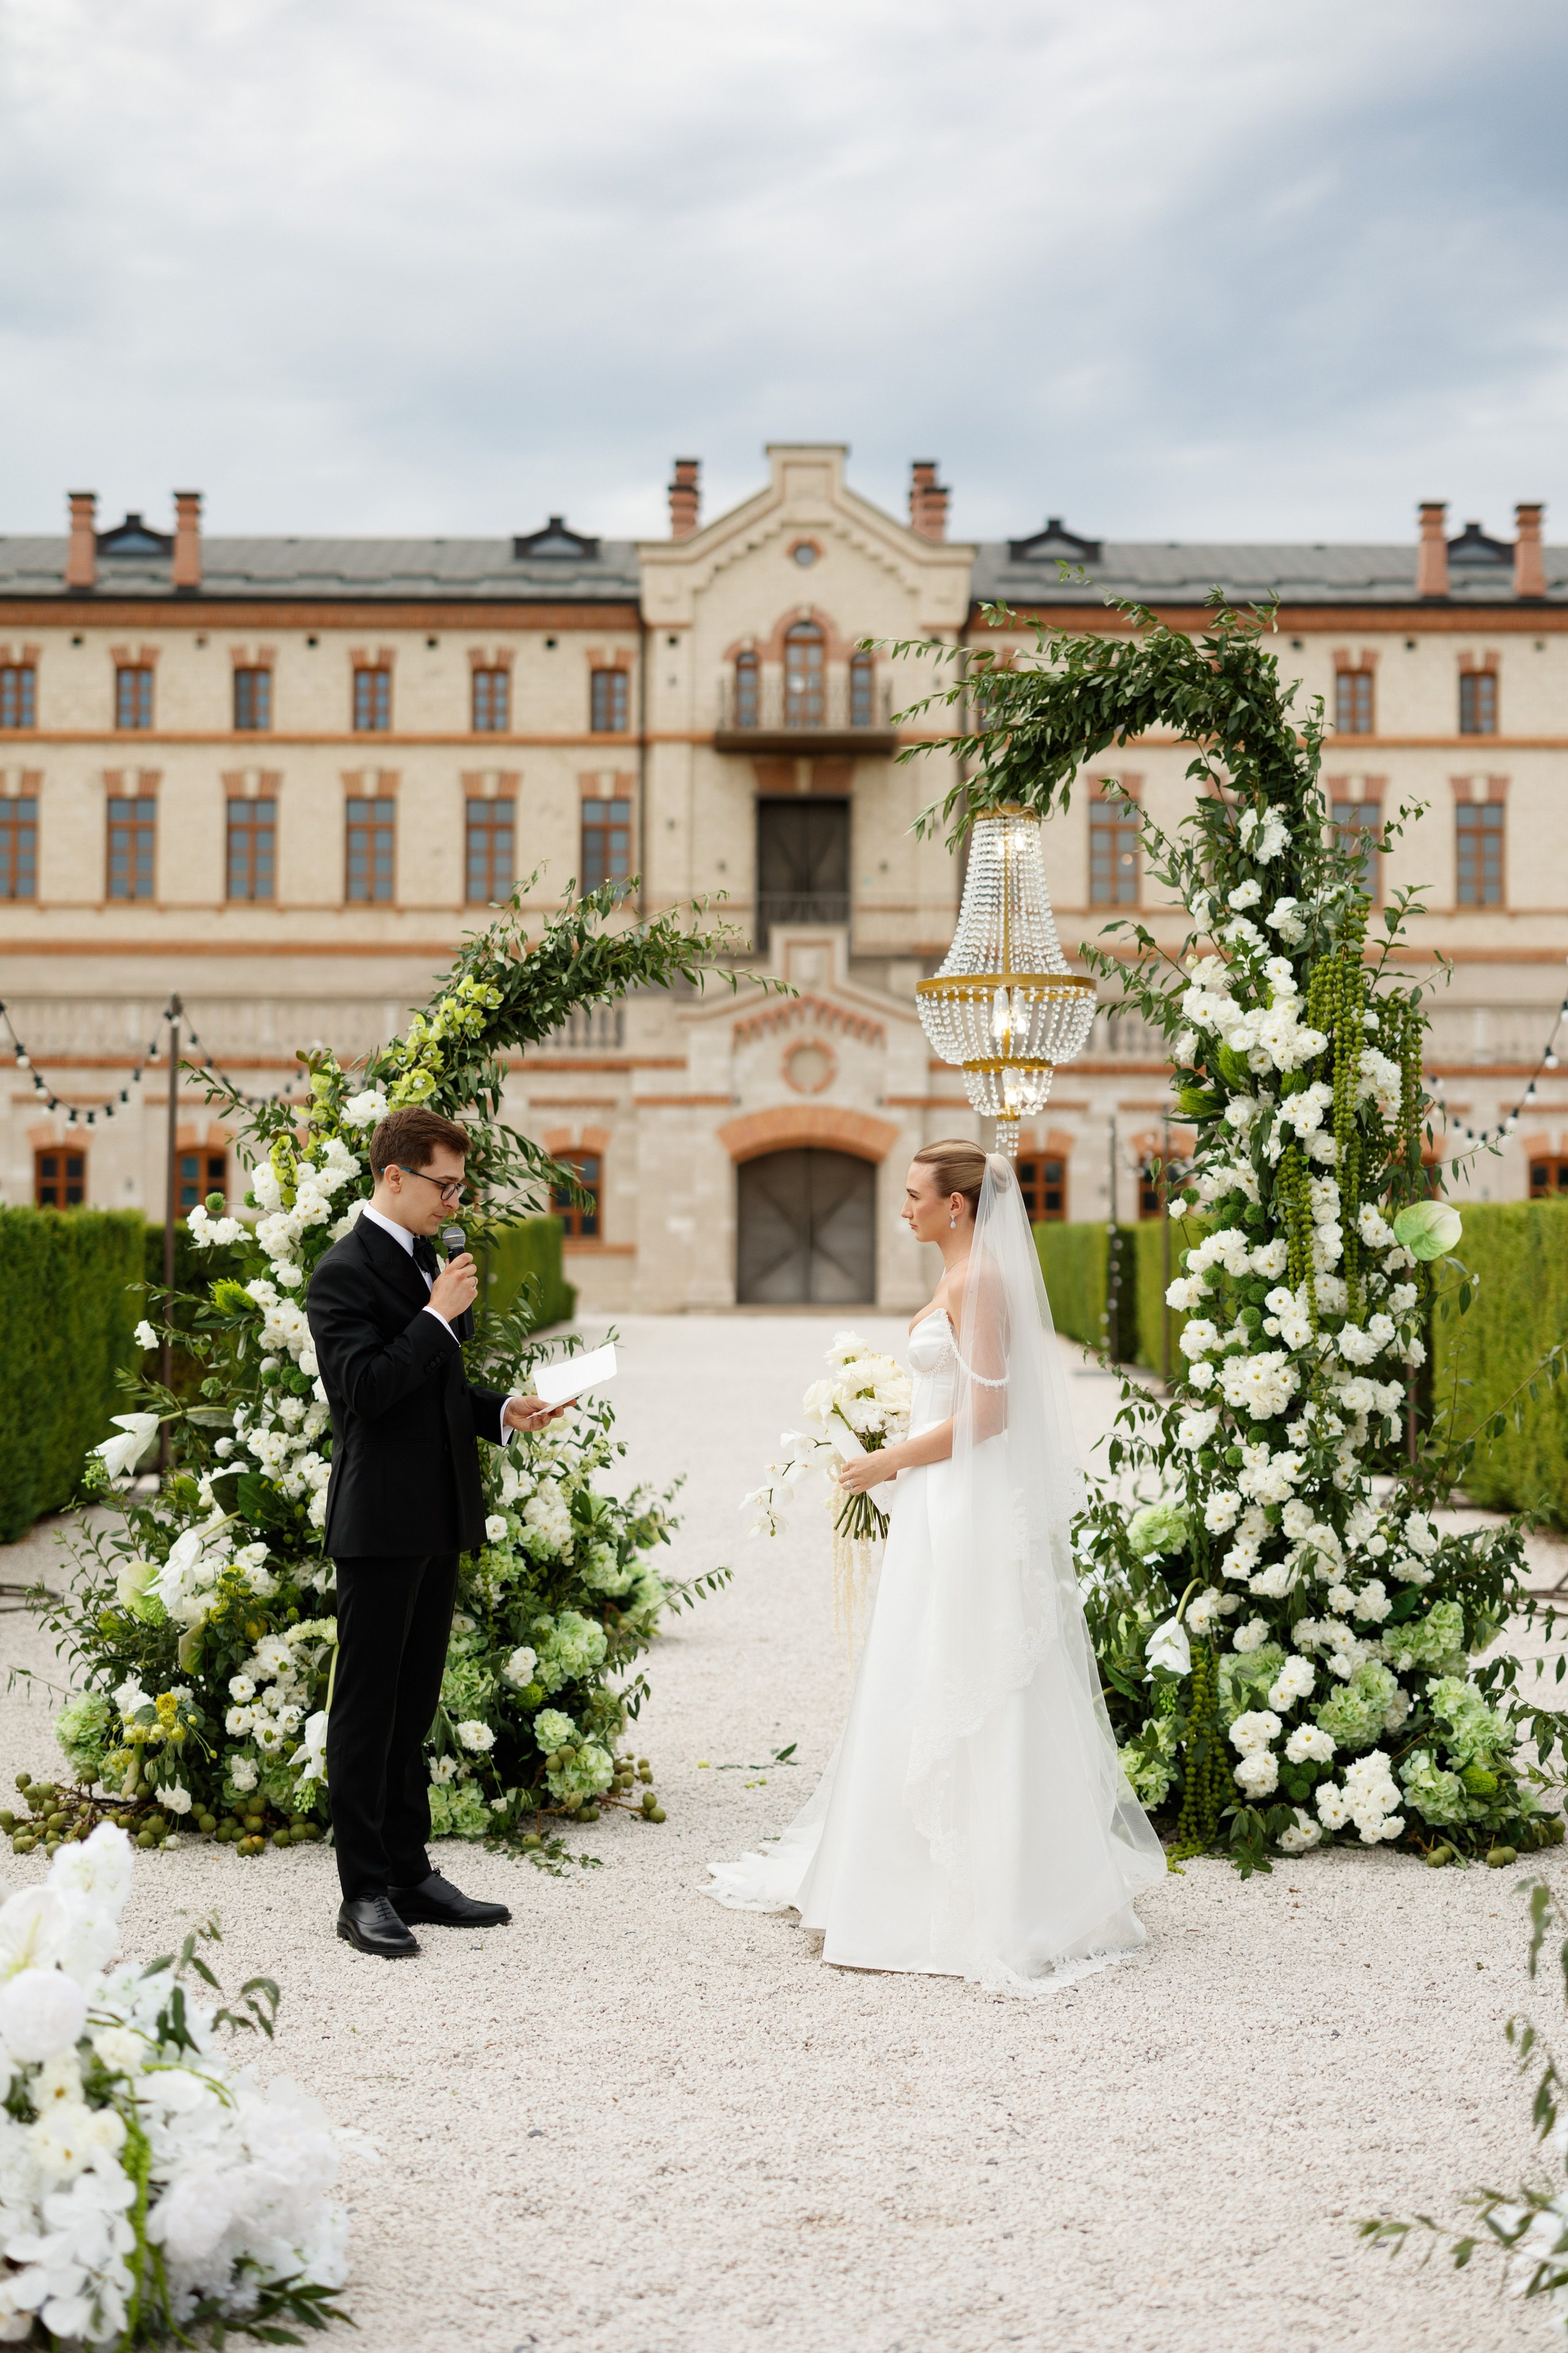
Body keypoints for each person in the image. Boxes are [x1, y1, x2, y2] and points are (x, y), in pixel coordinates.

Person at [704, 1139, 1165, 1992]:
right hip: (934, 1494)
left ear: (957, 1205)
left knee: (966, 1661)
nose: (904, 1207)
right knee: (917, 1662)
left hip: (963, 1498)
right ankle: (890, 1868)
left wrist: (888, 1461)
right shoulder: (962, 1275)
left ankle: (982, 1884)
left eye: (915, 1194)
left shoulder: (983, 1279)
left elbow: (989, 1413)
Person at [307, 1105, 567, 1957]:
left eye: (460, 1185)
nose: (454, 1201)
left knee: (415, 1704)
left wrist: (500, 1410)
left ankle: (411, 1872)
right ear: (394, 1177)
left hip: (435, 1510)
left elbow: (432, 1392)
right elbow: (367, 1391)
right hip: (378, 1518)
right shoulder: (343, 1272)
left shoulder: (427, 1260)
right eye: (443, 1184)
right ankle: (362, 1891)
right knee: (366, 1711)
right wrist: (433, 1316)